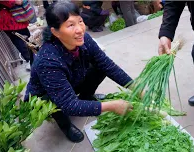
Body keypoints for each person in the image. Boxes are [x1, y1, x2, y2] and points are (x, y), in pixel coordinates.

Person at [25, 1, 134, 143]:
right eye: (71, 25)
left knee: (100, 67)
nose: (80, 30)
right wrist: (111, 106)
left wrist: (135, 87)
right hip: (44, 97)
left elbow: (108, 65)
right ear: (55, 31)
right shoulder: (48, 61)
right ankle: (66, 126)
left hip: (70, 79)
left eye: (80, 21)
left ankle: (86, 97)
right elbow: (69, 104)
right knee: (59, 103)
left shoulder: (84, 39)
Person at [0, 0, 34, 70]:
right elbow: (16, 1)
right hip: (8, 18)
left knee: (23, 39)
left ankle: (32, 59)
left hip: (10, 16)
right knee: (21, 40)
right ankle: (32, 60)